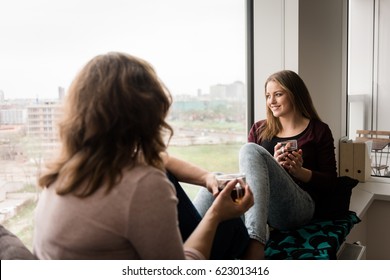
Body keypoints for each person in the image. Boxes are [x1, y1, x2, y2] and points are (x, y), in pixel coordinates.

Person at [32, 52, 253, 260]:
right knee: (228, 221)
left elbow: (158, 159)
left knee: (217, 183)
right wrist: (216, 215)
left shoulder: (63, 172)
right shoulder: (141, 183)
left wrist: (207, 177)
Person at [194, 70, 338, 259]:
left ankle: (255, 241)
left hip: (299, 207)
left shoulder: (318, 131)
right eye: (268, 96)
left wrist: (300, 172)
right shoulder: (259, 129)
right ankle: (184, 241)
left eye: (278, 94)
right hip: (262, 207)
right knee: (216, 180)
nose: (271, 101)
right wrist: (274, 166)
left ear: (295, 94)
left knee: (249, 149)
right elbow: (251, 175)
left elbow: (331, 183)